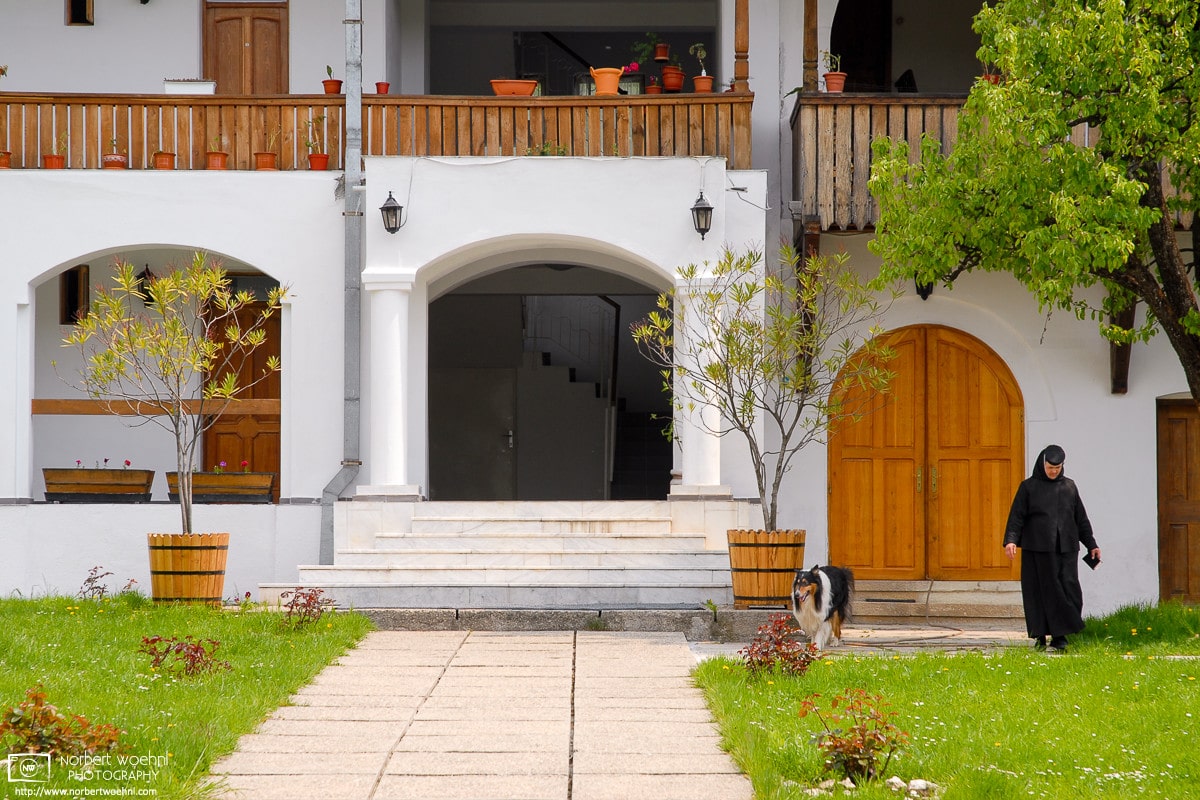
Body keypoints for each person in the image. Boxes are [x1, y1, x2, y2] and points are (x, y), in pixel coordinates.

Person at [1003, 444, 1101, 653]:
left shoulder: (1070, 487)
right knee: (1038, 592)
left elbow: (1081, 519)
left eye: (1057, 468)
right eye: (1050, 467)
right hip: (1036, 549)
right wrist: (1011, 540)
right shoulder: (1028, 487)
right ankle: (1041, 635)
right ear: (1042, 463)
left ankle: (1061, 635)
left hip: (1066, 549)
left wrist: (1091, 544)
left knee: (1067, 589)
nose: (1053, 471)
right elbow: (1016, 517)